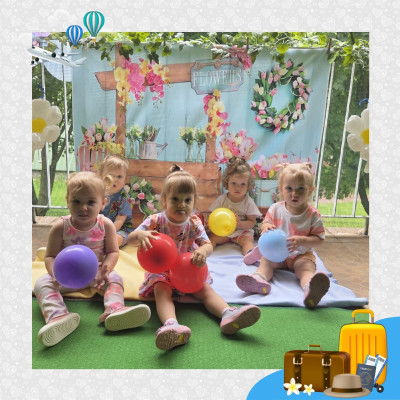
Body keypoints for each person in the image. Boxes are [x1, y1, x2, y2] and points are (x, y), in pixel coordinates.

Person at [127, 164, 261, 351]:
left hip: (189, 270)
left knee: (205, 290)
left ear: (194, 202)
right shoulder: (155, 221)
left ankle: (227, 313)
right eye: (175, 199)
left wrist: (203, 252)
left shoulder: (194, 222)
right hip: (162, 271)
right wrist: (139, 235)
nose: (181, 204)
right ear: (164, 200)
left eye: (187, 200)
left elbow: (208, 245)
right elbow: (130, 239)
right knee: (161, 292)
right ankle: (171, 325)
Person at [33, 171, 151, 347]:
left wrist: (107, 269)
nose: (83, 207)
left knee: (115, 279)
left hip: (96, 273)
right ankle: (57, 316)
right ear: (67, 201)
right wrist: (54, 273)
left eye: (90, 202)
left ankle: (115, 309)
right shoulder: (60, 226)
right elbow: (50, 256)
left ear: (103, 203)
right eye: (76, 201)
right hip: (66, 276)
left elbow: (113, 252)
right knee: (41, 283)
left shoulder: (105, 225)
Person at [237, 163, 330, 309]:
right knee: (266, 262)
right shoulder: (275, 209)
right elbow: (265, 223)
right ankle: (259, 279)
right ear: (280, 189)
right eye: (289, 188)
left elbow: (319, 239)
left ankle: (310, 288)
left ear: (310, 190)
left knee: (305, 268)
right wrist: (266, 227)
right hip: (276, 255)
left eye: (301, 189)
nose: (295, 194)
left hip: (301, 255)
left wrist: (302, 240)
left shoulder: (313, 214)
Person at [208, 156, 261, 255]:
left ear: (248, 185)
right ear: (227, 183)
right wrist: (210, 223)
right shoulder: (222, 200)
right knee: (212, 238)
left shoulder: (248, 202)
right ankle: (204, 251)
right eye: (233, 183)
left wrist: (240, 224)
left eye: (242, 184)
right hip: (224, 231)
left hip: (242, 232)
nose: (238, 188)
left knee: (247, 241)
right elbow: (212, 216)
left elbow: (252, 222)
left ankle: (250, 253)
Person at [99, 155, 134, 247]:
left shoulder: (124, 198)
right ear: (101, 175)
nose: (115, 180)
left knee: (116, 238)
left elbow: (119, 220)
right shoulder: (97, 193)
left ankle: (107, 245)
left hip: (120, 229)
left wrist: (107, 234)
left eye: (119, 176)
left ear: (125, 180)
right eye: (111, 175)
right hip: (99, 227)